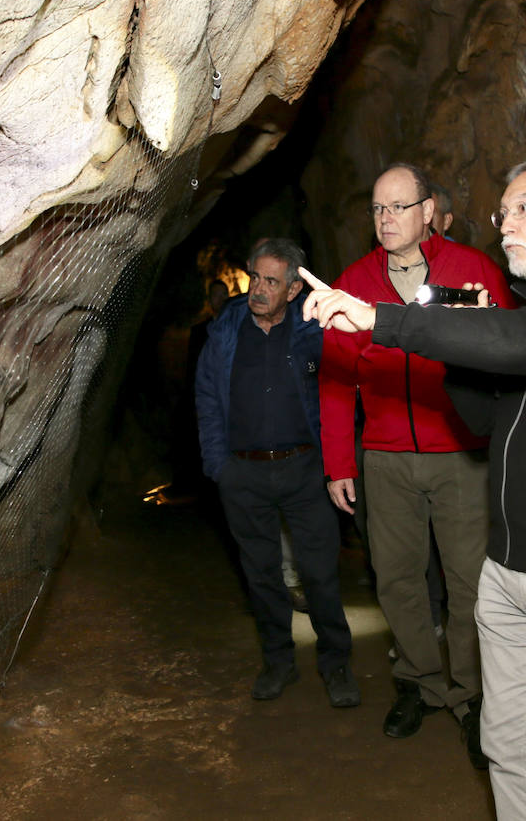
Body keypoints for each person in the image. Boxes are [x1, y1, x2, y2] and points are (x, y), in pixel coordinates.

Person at [302, 158, 526, 821]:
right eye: (503, 213)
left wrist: (388, 322)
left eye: (524, 208)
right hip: (509, 573)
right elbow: (484, 416)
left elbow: (522, 344)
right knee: (513, 746)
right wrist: (460, 343)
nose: (505, 226)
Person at [317, 162, 514, 767]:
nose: (386, 219)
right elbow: (334, 379)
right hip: (386, 456)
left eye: (399, 207)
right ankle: (422, 681)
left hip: (458, 450)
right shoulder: (354, 281)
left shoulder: (472, 271)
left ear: (428, 211)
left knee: (469, 582)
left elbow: (507, 353)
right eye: (378, 209)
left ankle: (473, 692)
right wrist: (338, 462)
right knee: (397, 577)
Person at [194, 238, 359, 708]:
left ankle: (337, 663)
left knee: (320, 572)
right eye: (256, 278)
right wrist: (218, 466)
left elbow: (339, 390)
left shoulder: (314, 329)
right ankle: (278, 662)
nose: (259, 290)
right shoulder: (225, 331)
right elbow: (206, 396)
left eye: (271, 282)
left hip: (306, 470)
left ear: (292, 290)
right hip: (243, 474)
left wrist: (336, 464)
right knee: (261, 575)